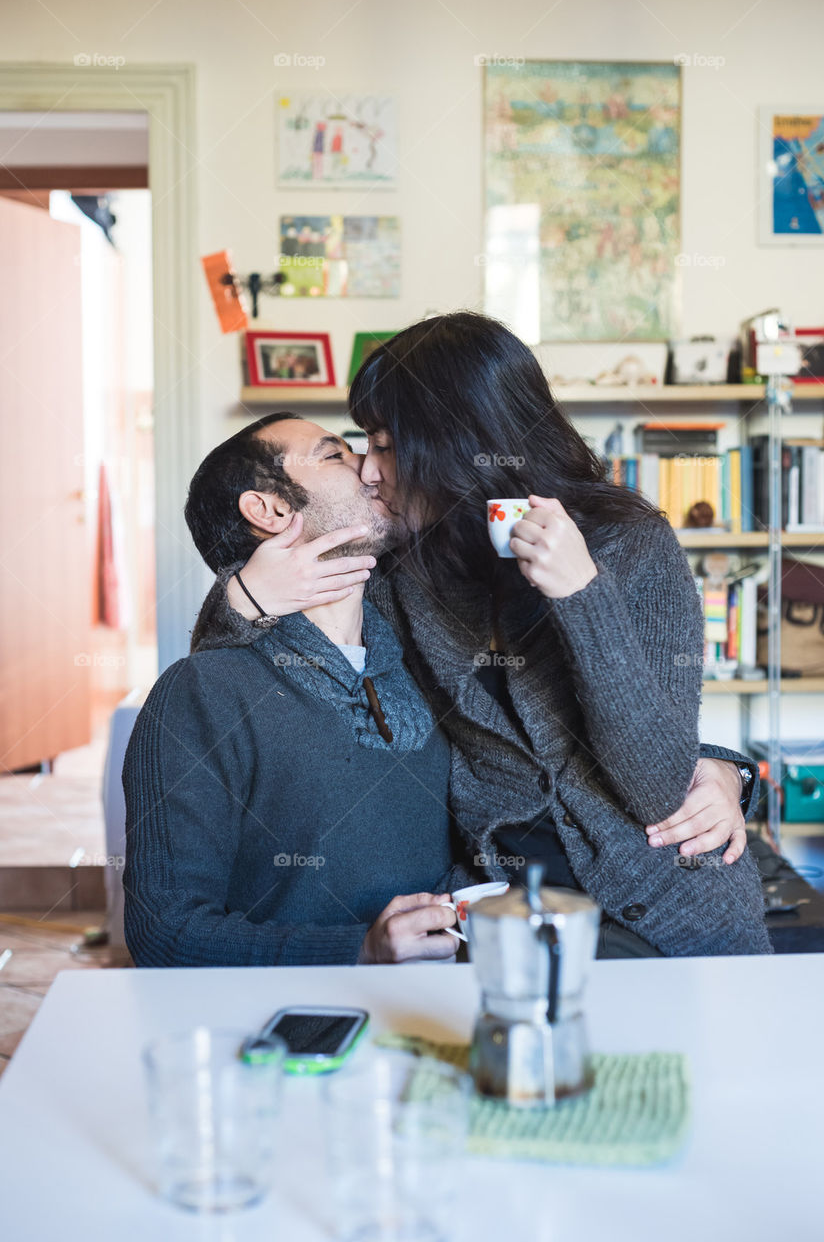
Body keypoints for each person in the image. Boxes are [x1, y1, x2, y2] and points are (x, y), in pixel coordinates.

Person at [193, 313, 772, 957]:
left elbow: (655, 786)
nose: (369, 470)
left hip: (676, 911)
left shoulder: (630, 545)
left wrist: (583, 596)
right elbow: (226, 685)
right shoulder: (399, 572)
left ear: (453, 443)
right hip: (503, 919)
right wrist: (246, 597)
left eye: (384, 445)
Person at [122, 414, 466, 967]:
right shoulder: (201, 694)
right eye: (335, 455)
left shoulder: (426, 652)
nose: (370, 467)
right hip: (288, 1032)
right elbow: (166, 933)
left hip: (438, 1017)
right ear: (272, 510)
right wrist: (359, 950)